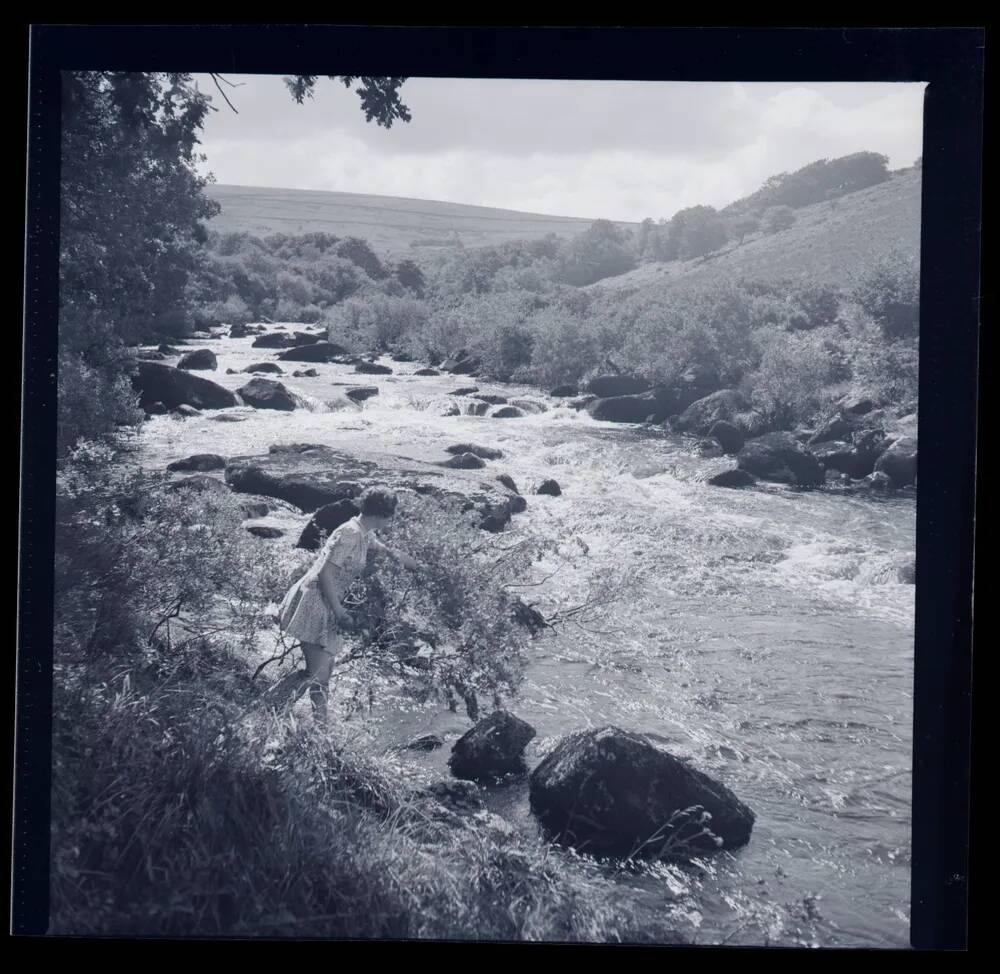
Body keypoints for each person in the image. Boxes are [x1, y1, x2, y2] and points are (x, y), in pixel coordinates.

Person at [268, 486, 419, 721]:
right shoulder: (350, 533)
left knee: (324, 674)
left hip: (327, 602)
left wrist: (419, 567)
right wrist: (340, 613)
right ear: (382, 515)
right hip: (316, 601)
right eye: (391, 515)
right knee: (316, 675)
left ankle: (319, 726)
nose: (392, 520)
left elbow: (387, 551)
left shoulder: (363, 531)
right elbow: (325, 574)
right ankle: (270, 709)